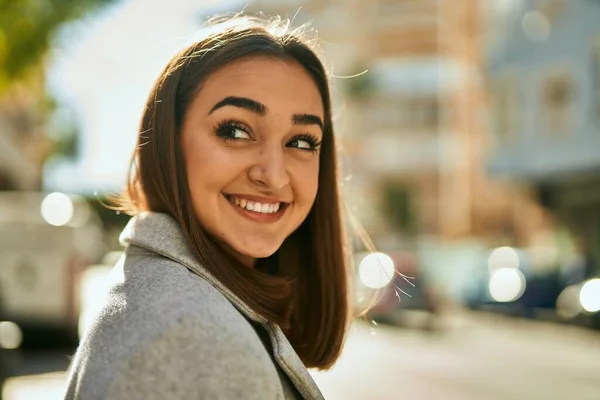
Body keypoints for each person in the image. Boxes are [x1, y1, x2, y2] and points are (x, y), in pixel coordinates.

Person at [65, 14, 352, 400]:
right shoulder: (195, 340)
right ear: (169, 142)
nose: (275, 176)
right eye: (235, 130)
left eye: (301, 142)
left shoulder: (161, 296)